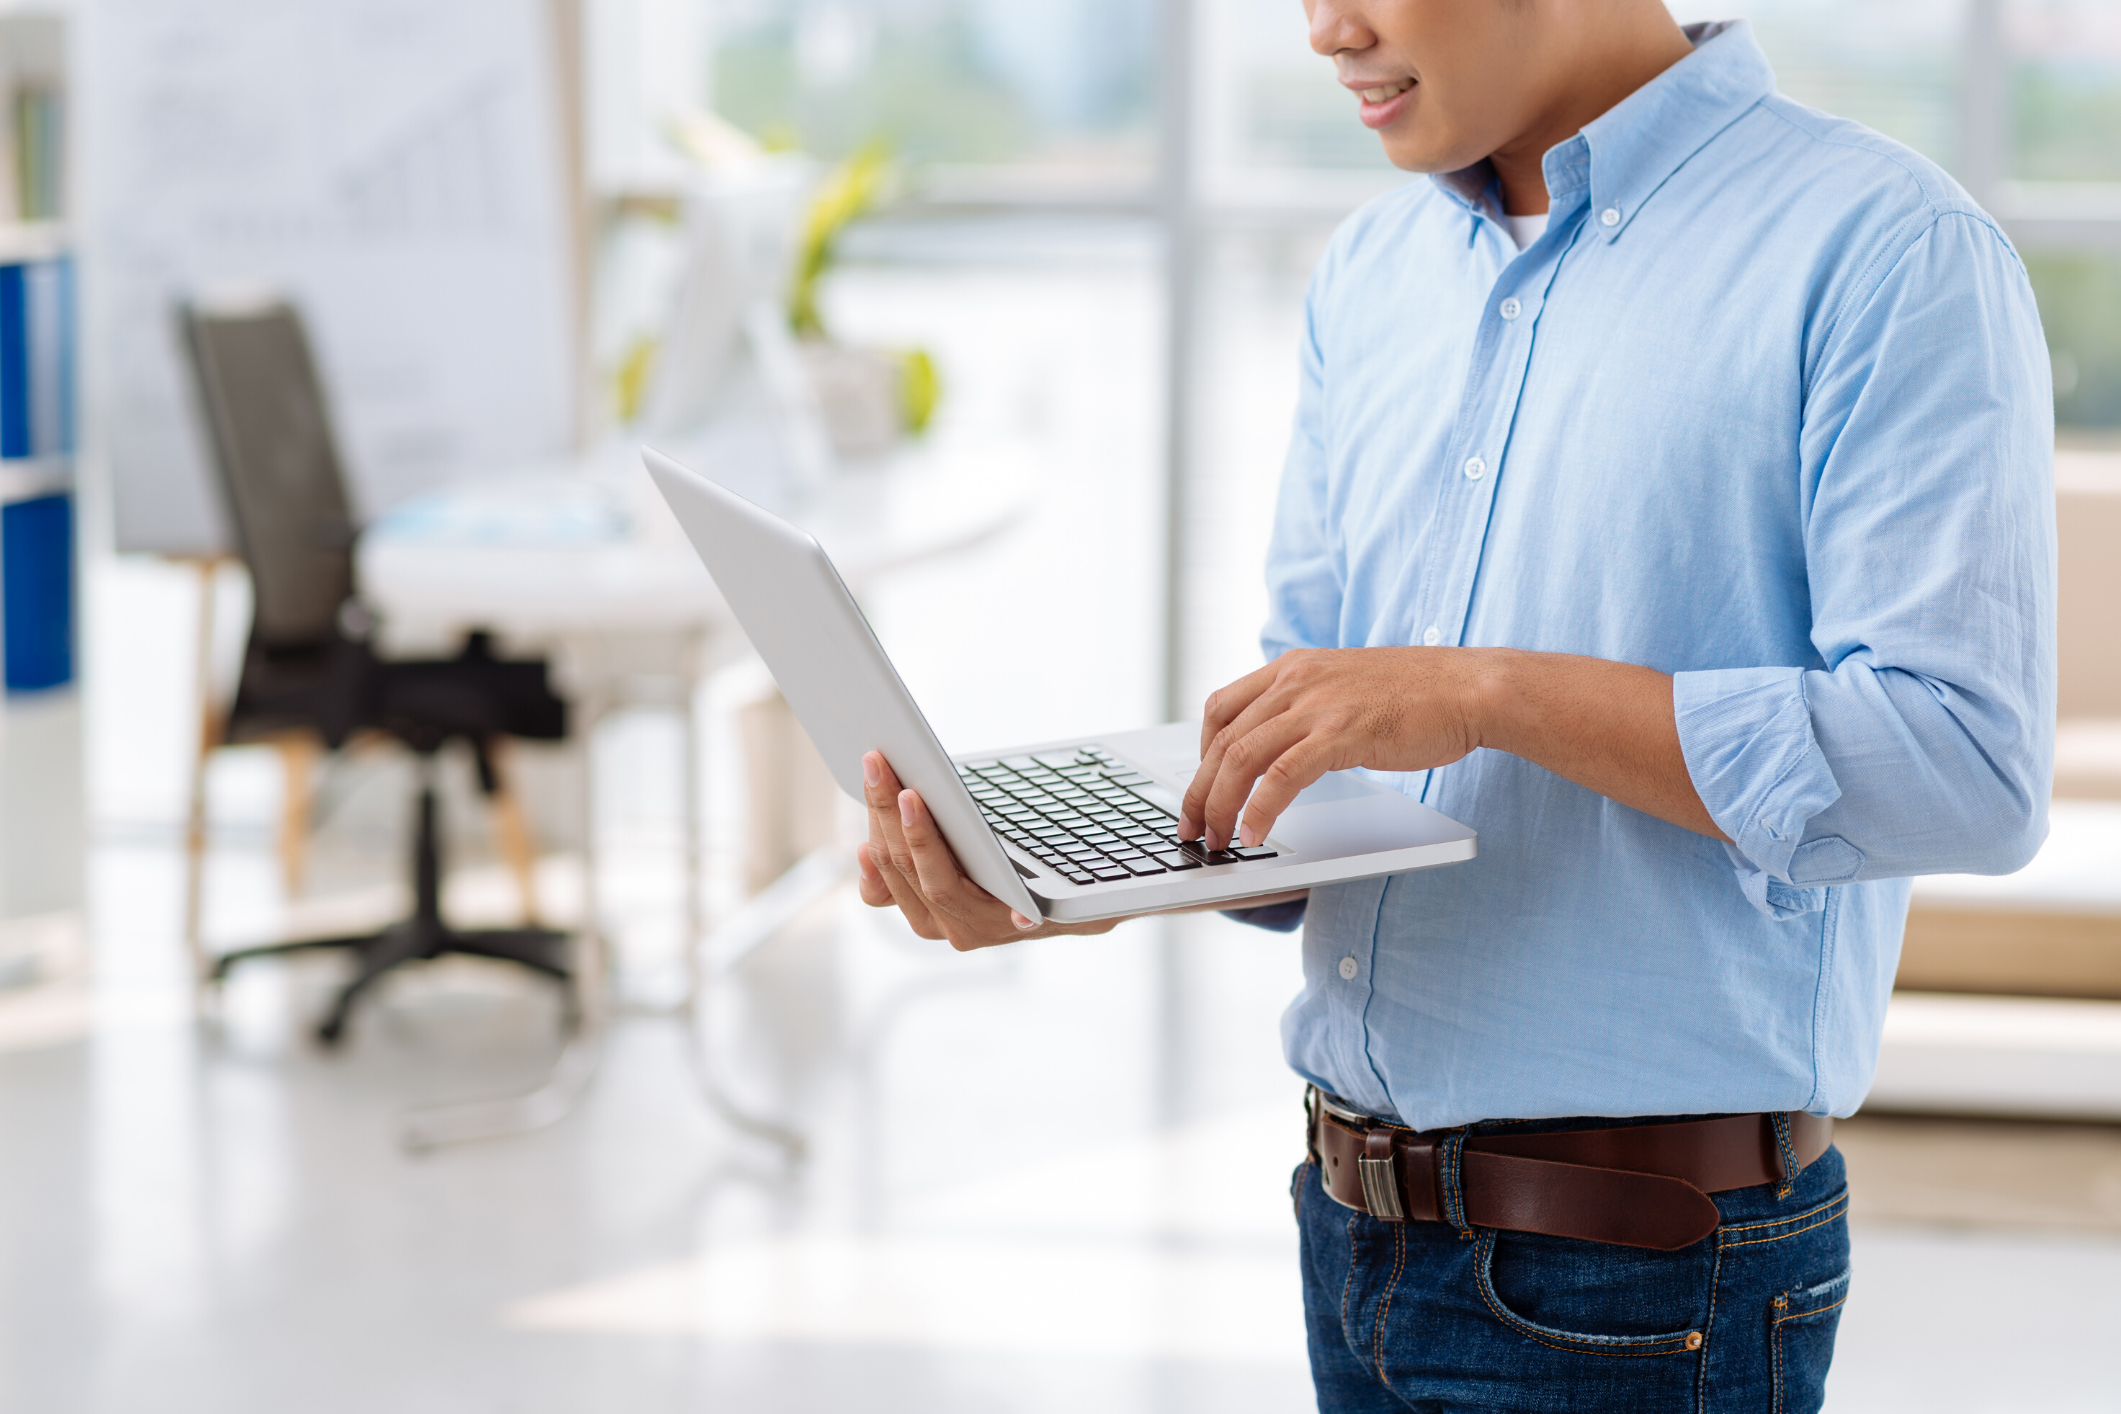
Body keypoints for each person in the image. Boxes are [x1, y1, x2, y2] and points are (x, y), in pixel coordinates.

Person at [854, 1, 2055, 1408]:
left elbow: (1964, 764)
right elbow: (1333, 766)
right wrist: (1090, 872)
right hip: (1350, 1230)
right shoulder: (1373, 276)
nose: (1325, 30)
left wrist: (1491, 692)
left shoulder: (1884, 253)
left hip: (1640, 1275)